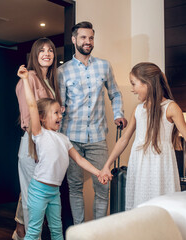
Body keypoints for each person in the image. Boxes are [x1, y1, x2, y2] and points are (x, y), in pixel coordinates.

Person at [99, 62, 186, 210]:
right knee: (140, 209)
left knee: (161, 207)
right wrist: (107, 165)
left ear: (148, 83)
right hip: (139, 165)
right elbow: (124, 139)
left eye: (134, 84)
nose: (132, 89)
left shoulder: (170, 108)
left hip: (160, 165)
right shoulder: (138, 110)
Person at [17, 65, 104, 240]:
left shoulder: (64, 139)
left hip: (54, 192)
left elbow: (79, 159)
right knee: (34, 232)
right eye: (55, 113)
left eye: (60, 112)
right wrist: (26, 80)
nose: (60, 116)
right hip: (39, 190)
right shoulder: (39, 134)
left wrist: (98, 172)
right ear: (42, 117)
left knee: (57, 232)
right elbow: (32, 105)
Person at [57, 21, 127, 224]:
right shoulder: (63, 71)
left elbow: (115, 93)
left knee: (103, 185)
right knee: (75, 187)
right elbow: (60, 107)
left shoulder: (104, 66)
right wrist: (59, 140)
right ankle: (80, 231)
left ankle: (99, 231)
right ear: (74, 40)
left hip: (97, 137)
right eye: (83, 37)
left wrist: (118, 114)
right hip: (72, 139)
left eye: (90, 38)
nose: (87, 42)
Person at [14, 38, 62, 240]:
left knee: (37, 193)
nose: (47, 53)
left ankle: (20, 232)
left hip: (48, 144)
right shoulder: (30, 78)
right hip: (33, 143)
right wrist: (38, 140)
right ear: (35, 54)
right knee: (32, 197)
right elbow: (27, 116)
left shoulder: (51, 80)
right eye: (41, 50)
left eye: (50, 50)